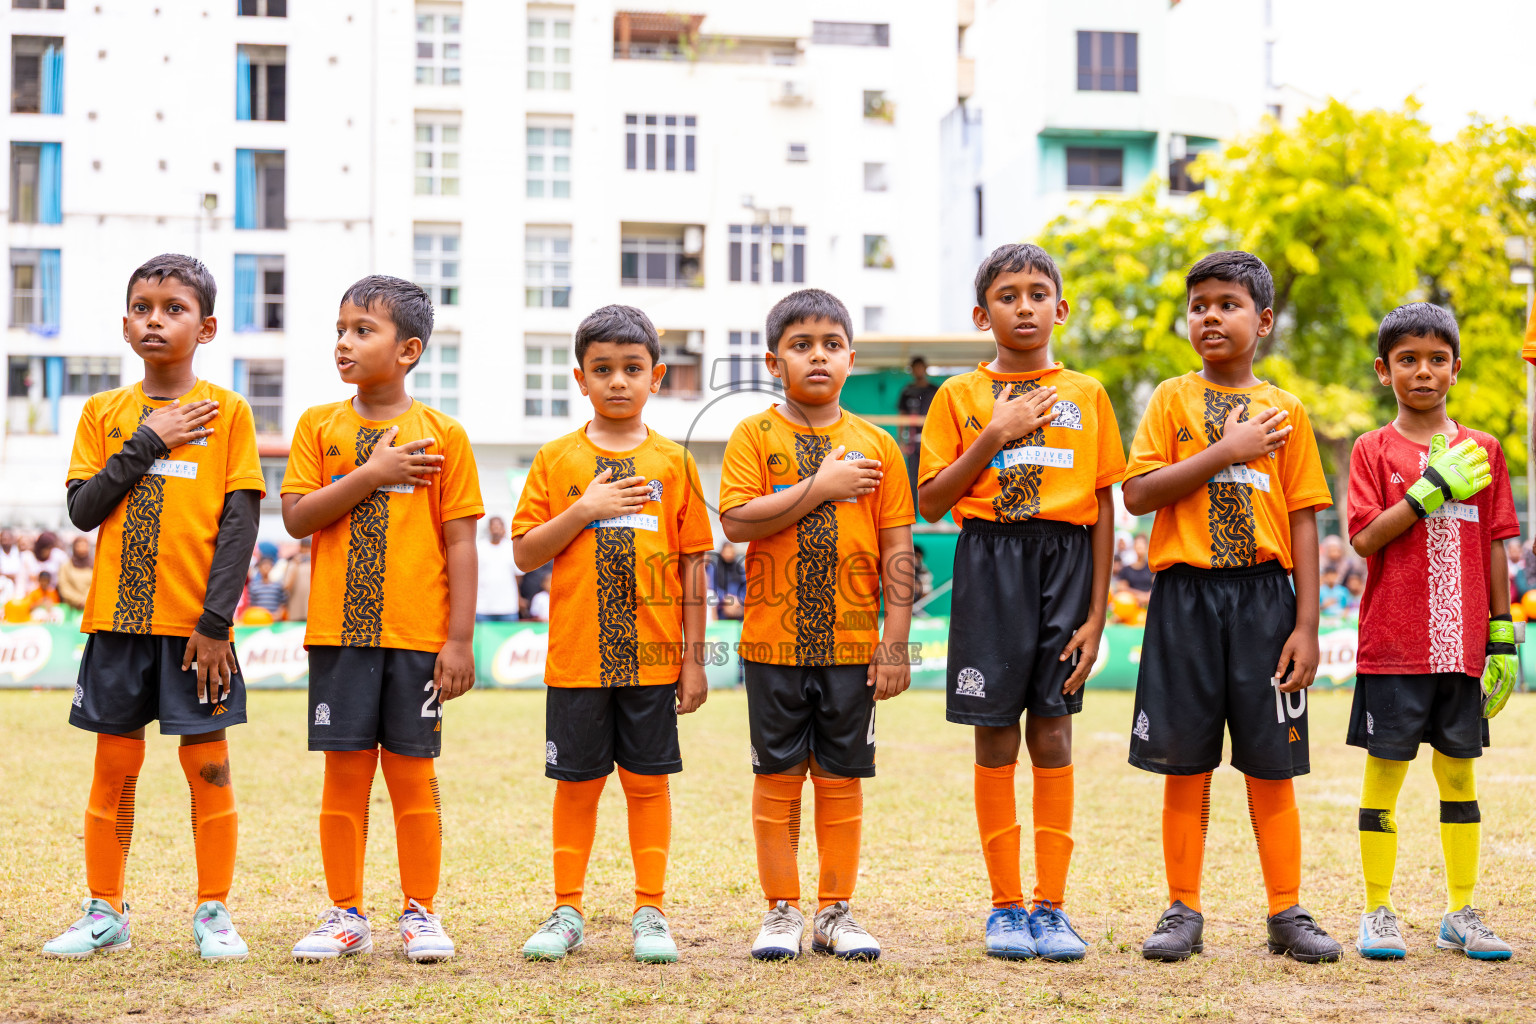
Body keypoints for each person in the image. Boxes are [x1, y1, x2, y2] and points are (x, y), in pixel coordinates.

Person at [43, 254, 265, 961]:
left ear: (206, 328)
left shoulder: (229, 412)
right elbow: (82, 510)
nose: (155, 320)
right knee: (114, 769)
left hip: (195, 632)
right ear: (124, 323)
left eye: (173, 309)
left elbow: (240, 525)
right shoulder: (103, 413)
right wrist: (150, 440)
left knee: (209, 767)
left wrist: (215, 624)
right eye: (143, 307)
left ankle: (214, 914)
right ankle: (105, 911)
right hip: (116, 626)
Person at [1120, 251, 1340, 964]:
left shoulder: (1289, 411)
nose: (1209, 316)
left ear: (1264, 320)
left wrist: (1307, 625)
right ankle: (1182, 909)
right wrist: (1226, 449)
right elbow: (1139, 494)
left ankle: (1286, 912)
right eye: (1198, 306)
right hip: (1185, 599)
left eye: (1227, 303)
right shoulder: (1169, 400)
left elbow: (1306, 517)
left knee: (1272, 765)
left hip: (1264, 603)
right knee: (1186, 764)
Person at [917, 243, 1124, 962]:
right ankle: (1005, 906)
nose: (1025, 305)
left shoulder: (1089, 395)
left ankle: (1053, 907)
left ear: (1060, 308)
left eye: (1039, 293)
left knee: (1055, 734)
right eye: (1008, 295)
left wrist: (1098, 616)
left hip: (1066, 566)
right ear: (983, 314)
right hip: (990, 563)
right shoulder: (956, 397)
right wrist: (994, 437)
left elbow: (1103, 508)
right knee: (995, 735)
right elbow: (933, 501)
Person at [281, 275, 483, 963]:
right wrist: (372, 471)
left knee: (411, 775)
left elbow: (460, 541)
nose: (344, 342)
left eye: (363, 330)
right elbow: (298, 517)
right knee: (344, 778)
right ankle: (345, 914)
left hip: (417, 639)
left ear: (409, 349)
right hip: (339, 635)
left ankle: (421, 912)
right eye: (340, 328)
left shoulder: (444, 435)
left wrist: (459, 639)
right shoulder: (318, 426)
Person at [511, 304, 714, 965]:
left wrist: (693, 662)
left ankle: (649, 911)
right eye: (603, 369)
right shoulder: (556, 458)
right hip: (577, 659)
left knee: (648, 785)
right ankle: (567, 908)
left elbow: (692, 566)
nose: (618, 381)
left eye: (632, 369)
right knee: (577, 785)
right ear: (580, 378)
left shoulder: (674, 463)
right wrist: (585, 508)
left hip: (653, 663)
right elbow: (524, 552)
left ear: (656, 375)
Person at [719, 288, 916, 962]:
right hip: (771, 643)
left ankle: (836, 911)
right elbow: (738, 522)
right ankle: (781, 911)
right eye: (802, 346)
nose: (818, 356)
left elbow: (897, 548)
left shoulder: (878, 444)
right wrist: (822, 487)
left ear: (851, 358)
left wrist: (894, 642)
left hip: (853, 647)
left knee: (840, 777)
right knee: (776, 777)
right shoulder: (754, 435)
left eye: (831, 345)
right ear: (775, 361)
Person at [1345, 302, 1517, 961]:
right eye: (1408, 360)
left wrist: (1502, 634)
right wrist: (1426, 491)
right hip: (1393, 647)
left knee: (1459, 781)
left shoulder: (1488, 450)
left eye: (1436, 359)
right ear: (1385, 371)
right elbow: (1363, 539)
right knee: (1384, 776)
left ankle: (1461, 911)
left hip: (1465, 652)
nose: (1423, 371)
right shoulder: (1372, 449)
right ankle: (1377, 909)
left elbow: (1498, 543)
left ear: (1456, 367)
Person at [897, 356, 939, 498]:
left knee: (935, 476)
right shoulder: (907, 391)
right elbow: (902, 416)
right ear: (912, 370)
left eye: (921, 367)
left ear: (926, 369)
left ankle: (935, 518)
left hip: (932, 441)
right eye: (916, 368)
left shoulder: (935, 390)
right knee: (913, 478)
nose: (919, 370)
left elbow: (942, 415)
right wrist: (901, 440)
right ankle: (913, 517)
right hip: (913, 442)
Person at [476, 516, 521, 622]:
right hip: (483, 607)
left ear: (504, 528)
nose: (496, 530)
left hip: (508, 607)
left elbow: (518, 575)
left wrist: (518, 597)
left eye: (499, 526)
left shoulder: (511, 548)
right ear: (489, 529)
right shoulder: (479, 547)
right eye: (493, 526)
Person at [709, 540, 746, 621]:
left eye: (730, 552)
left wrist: (739, 600)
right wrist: (725, 598)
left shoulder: (740, 569)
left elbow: (745, 588)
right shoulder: (715, 569)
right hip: (721, 607)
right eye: (726, 552)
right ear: (722, 553)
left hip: (738, 606)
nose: (728, 554)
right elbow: (712, 588)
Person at [57, 536, 94, 612]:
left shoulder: (94, 565)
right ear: (74, 548)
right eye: (79, 546)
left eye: (84, 546)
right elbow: (64, 587)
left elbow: (97, 584)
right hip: (71, 608)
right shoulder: (66, 566)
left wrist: (88, 600)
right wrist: (79, 601)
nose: (82, 549)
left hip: (91, 607)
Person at [1115, 534, 1154, 605]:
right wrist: (1142, 596)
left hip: (1148, 604)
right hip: (1129, 604)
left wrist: (1148, 597)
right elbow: (1121, 588)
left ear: (1147, 547)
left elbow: (1155, 587)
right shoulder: (1126, 569)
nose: (1140, 547)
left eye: (1142, 544)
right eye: (1137, 544)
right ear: (1133, 547)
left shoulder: (1152, 569)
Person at [283, 537, 311, 622]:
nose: (305, 549)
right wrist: (295, 564)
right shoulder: (292, 563)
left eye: (307, 547)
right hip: (296, 610)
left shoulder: (315, 561)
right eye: (303, 547)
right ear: (300, 547)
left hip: (311, 610)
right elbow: (286, 586)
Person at [0, 528, 25, 592]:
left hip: (18, 587)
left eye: (7, 539)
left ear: (12, 540)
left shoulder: (19, 552)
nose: (5, 542)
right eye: (3, 539)